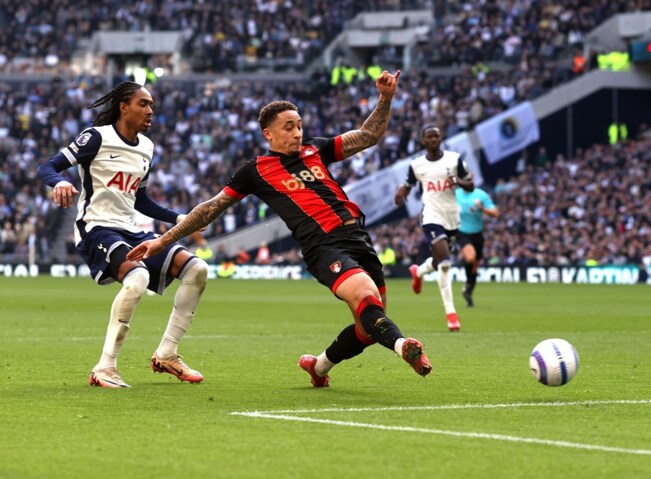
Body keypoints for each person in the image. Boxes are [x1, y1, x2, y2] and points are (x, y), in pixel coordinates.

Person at [127, 70, 432, 387]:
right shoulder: (255, 171)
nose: (298, 133)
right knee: (366, 298)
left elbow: (368, 135)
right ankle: (403, 347)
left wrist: (385, 97)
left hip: (359, 240)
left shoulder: (317, 149)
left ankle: (319, 366)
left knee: (369, 329)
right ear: (268, 134)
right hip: (323, 246)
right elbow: (209, 209)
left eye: (299, 125)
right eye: (289, 127)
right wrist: (161, 241)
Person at [37, 81, 208, 388]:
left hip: (132, 229)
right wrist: (59, 182)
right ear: (123, 107)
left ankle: (167, 353)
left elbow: (140, 200)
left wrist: (179, 218)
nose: (150, 110)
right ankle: (105, 367)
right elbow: (48, 166)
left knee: (197, 270)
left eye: (152, 105)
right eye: (143, 104)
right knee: (138, 278)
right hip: (96, 227)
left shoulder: (147, 147)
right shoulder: (96, 138)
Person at [394, 126, 474, 331]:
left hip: (452, 217)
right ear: (423, 141)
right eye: (429, 137)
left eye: (436, 136)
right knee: (446, 262)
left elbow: (470, 185)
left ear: (441, 138)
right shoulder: (417, 165)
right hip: (431, 216)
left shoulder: (454, 160)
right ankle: (451, 314)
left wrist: (458, 181)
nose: (433, 139)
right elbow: (408, 184)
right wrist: (401, 193)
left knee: (439, 261)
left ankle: (418, 271)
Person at [455, 185, 499, 307]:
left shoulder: (481, 195)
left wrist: (482, 208)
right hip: (461, 232)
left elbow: (496, 213)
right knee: (470, 257)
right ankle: (467, 286)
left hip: (477, 235)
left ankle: (468, 291)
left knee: (474, 266)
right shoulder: (455, 194)